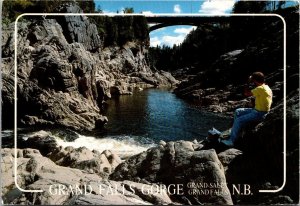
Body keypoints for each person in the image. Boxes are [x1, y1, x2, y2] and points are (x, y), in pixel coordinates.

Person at [221, 72, 273, 146]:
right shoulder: (267, 87)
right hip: (259, 110)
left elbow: (246, 93)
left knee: (239, 120)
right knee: (238, 111)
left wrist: (248, 82)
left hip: (259, 113)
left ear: (254, 80)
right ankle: (237, 133)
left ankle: (231, 141)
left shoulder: (260, 89)